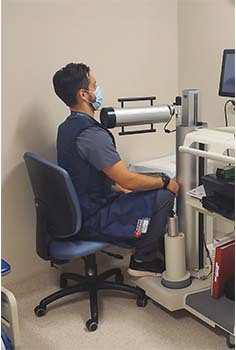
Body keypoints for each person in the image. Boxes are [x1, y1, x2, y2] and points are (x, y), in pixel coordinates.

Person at [53, 63, 179, 277]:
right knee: (164, 194)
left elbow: (83, 175)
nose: (98, 89)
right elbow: (128, 179)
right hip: (92, 218)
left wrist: (120, 187)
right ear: (84, 94)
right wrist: (167, 182)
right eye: (95, 85)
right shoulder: (92, 135)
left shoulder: (66, 128)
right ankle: (142, 260)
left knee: (140, 187)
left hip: (77, 212)